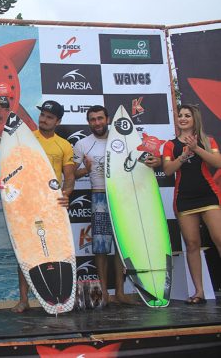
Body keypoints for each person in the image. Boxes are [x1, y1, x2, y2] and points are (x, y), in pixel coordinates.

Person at [0, 100, 75, 313]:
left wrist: (67, 193)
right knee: (27, 249)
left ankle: (59, 290)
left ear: (58, 121)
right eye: (42, 115)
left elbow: (70, 176)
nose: (43, 120)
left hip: (51, 203)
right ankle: (24, 300)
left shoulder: (63, 145)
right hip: (26, 201)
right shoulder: (25, 138)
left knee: (56, 247)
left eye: (49, 117)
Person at [73, 105, 160, 306]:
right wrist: (85, 170)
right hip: (99, 197)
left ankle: (120, 292)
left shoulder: (122, 140)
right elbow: (73, 174)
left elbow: (140, 161)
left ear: (108, 118)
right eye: (92, 119)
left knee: (121, 246)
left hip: (122, 196)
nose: (97, 123)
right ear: (88, 122)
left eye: (100, 118)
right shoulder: (83, 144)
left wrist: (152, 161)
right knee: (101, 247)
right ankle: (104, 293)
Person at [162, 104, 221, 305]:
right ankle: (199, 291)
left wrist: (196, 149)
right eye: (180, 115)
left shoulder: (208, 140)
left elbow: (217, 162)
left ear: (194, 119)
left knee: (219, 237)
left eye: (187, 115)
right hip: (184, 198)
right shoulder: (170, 145)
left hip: (208, 196)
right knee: (192, 244)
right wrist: (184, 155)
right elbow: (168, 170)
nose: (183, 118)